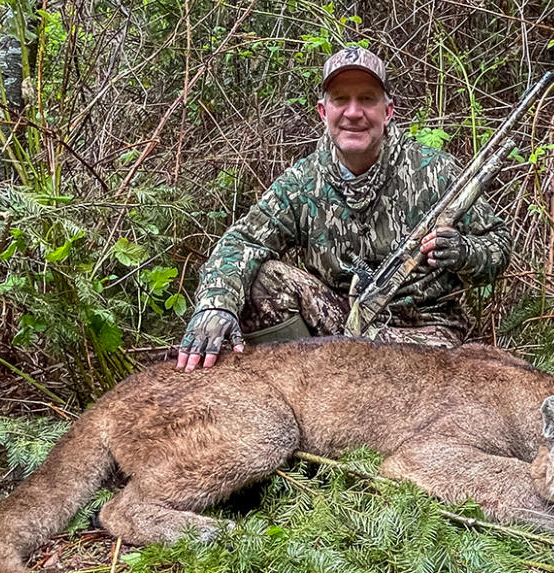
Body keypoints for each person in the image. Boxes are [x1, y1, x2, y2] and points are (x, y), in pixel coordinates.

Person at [175, 47, 513, 369]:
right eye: (341, 100)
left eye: (366, 99)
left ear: (388, 110)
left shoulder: (435, 172)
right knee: (262, 278)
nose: (353, 113)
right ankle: (300, 390)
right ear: (324, 111)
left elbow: (497, 244)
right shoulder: (302, 181)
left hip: (424, 334)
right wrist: (215, 305)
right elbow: (242, 243)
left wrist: (465, 252)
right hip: (336, 323)